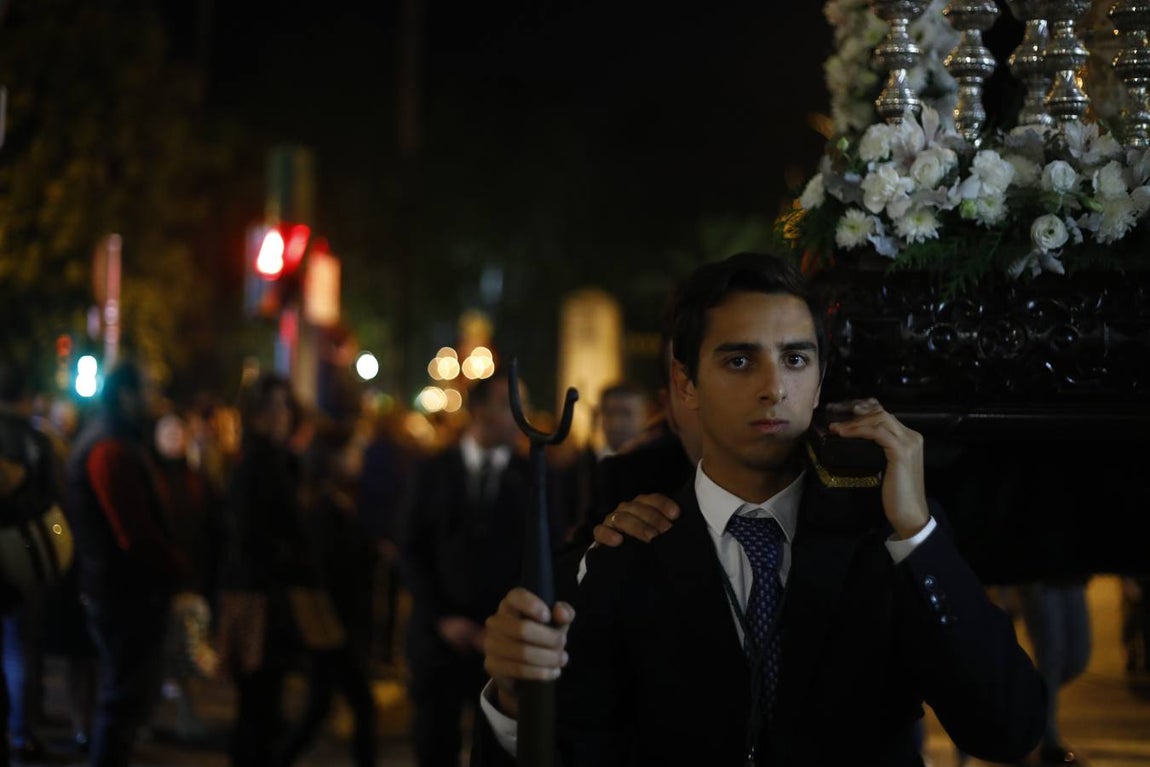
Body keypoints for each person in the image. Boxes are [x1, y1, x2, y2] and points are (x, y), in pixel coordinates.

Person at [475, 252, 1046, 766]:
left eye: (796, 359)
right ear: (685, 381)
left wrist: (917, 533)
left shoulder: (887, 537)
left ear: (821, 379)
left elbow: (1008, 729)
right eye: (740, 362)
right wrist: (511, 695)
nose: (774, 387)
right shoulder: (624, 555)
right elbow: (576, 747)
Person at [399, 371, 551, 767]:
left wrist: (499, 625)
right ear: (480, 409)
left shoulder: (536, 475)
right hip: (438, 640)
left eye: (524, 404)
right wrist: (443, 618)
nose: (522, 415)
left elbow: (542, 559)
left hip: (501, 644)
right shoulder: (432, 470)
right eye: (509, 404)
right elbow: (411, 550)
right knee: (434, 743)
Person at [65, 361, 186, 767]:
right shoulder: (110, 447)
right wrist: (175, 566)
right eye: (147, 391)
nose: (153, 401)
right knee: (122, 703)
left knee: (126, 700)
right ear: (126, 395)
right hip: (123, 592)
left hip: (121, 588)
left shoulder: (114, 441)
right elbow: (132, 533)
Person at [216, 373, 308, 767]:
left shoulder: (280, 461)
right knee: (257, 708)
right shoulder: (256, 465)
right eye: (273, 407)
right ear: (255, 415)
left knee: (264, 707)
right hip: (259, 601)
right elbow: (250, 537)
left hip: (272, 598)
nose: (281, 415)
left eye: (285, 405)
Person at [277, 423, 379, 767]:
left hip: (337, 625)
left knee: (320, 707)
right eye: (352, 451)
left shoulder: (334, 501)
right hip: (336, 625)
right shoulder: (325, 509)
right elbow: (334, 573)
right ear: (334, 459)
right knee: (361, 707)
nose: (358, 458)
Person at [1, 359, 62, 766]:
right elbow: (51, 504)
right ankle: (22, 732)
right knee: (21, 647)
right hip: (24, 555)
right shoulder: (38, 441)